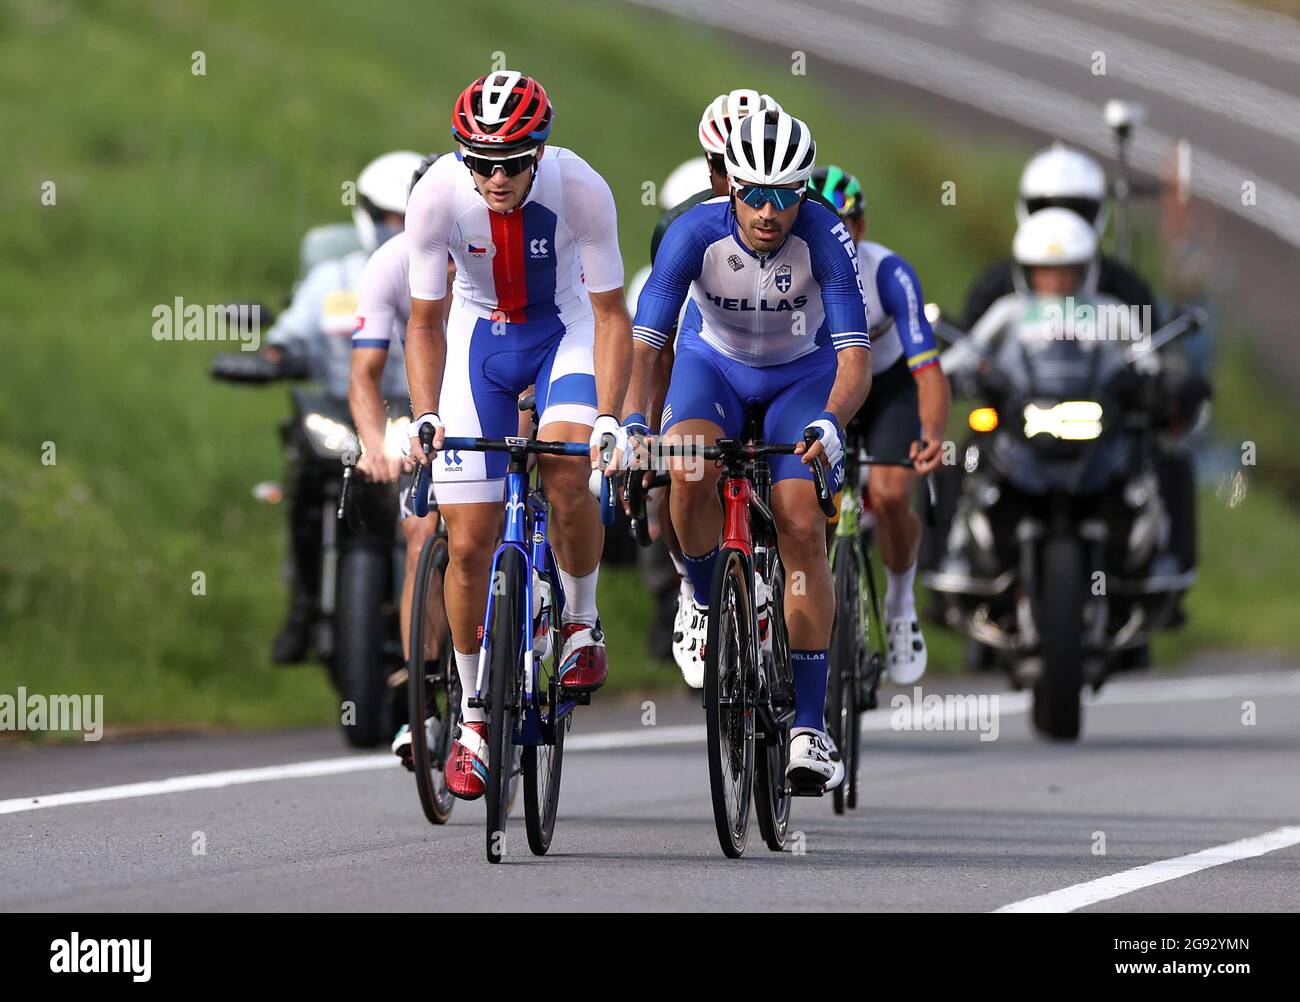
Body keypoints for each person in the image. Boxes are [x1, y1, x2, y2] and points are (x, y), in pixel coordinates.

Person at [403, 70, 633, 800]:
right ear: (462, 159)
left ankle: (580, 621)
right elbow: (425, 322)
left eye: (510, 163)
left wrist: (608, 419)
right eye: (480, 163)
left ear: (539, 152)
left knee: (567, 474)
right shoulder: (438, 195)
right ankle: (474, 718)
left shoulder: (581, 188)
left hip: (563, 331)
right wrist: (424, 412)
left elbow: (609, 318)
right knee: (467, 541)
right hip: (480, 342)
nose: (495, 178)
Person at [626, 109, 872, 791]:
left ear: (805, 193)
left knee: (800, 523)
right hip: (715, 369)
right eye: (755, 194)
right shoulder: (690, 232)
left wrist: (830, 421)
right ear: (728, 186)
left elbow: (855, 357)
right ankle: (705, 600)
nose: (770, 211)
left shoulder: (825, 235)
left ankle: (810, 730)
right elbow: (648, 348)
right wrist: (631, 425)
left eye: (787, 194)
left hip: (802, 377)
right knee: (687, 468)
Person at [262, 150, 424, 663]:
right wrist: (274, 356)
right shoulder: (334, 279)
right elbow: (287, 337)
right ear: (369, 216)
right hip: (342, 414)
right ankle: (302, 604)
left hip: (418, 417)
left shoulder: (450, 271)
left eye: (411, 218)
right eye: (392, 218)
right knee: (303, 486)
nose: (401, 229)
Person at [807, 165, 949, 684]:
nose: (834, 234)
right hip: (826, 386)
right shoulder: (790, 270)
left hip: (887, 386)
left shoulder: (889, 273)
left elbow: (928, 370)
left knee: (890, 494)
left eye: (844, 223)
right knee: (804, 506)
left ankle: (900, 602)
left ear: (861, 229)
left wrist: (932, 434)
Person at [346, 154, 453, 767]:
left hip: (492, 386)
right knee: (420, 532)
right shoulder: (389, 264)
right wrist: (370, 443)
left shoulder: (494, 252)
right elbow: (364, 373)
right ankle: (426, 698)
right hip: (427, 406)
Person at [958, 143, 1157, 332]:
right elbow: (962, 352)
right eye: (1043, 272)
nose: (1055, 282)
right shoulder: (996, 291)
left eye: (1070, 272)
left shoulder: (1125, 292)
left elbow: (1154, 357)